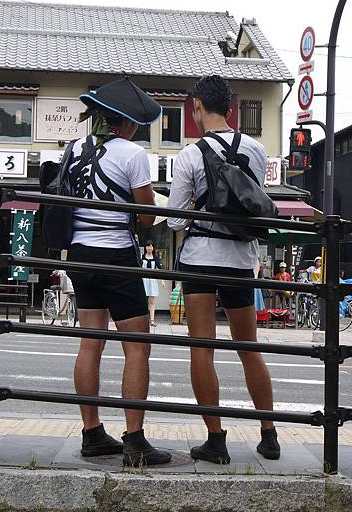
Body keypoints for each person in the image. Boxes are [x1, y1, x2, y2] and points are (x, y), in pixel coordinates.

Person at [167, 75, 280, 464]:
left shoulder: (190, 154)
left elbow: (174, 220)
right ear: (230, 109)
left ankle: (216, 440)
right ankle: (269, 433)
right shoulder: (256, 149)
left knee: (203, 347)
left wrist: (196, 209)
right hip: (240, 260)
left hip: (200, 258)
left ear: (197, 105)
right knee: (248, 348)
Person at [67, 78, 171, 467]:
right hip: (115, 257)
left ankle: (92, 432)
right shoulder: (133, 154)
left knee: (90, 343)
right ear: (128, 123)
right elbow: (146, 217)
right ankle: (135, 439)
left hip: (79, 254)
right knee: (137, 345)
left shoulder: (74, 148)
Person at [141, 240, 165, 327]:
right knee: (142, 301)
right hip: (143, 280)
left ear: (153, 247)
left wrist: (162, 280)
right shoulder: (141, 257)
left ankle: (152, 320)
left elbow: (160, 269)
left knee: (152, 301)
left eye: (151, 246)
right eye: (147, 246)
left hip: (152, 280)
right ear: (145, 247)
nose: (149, 248)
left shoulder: (155, 257)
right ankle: (143, 320)